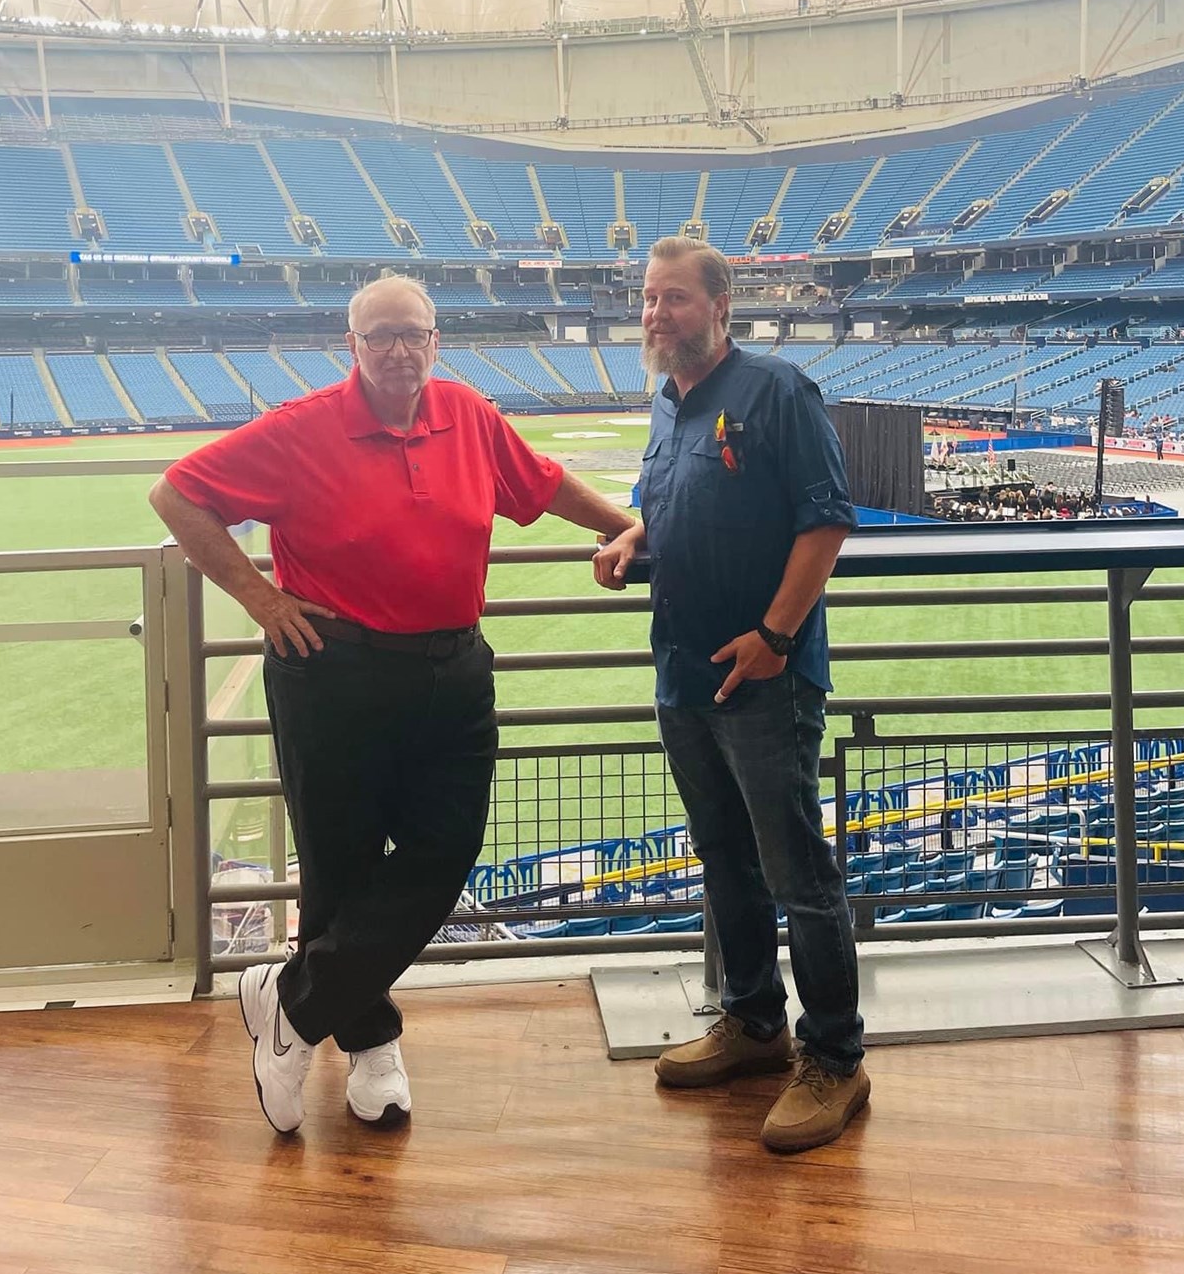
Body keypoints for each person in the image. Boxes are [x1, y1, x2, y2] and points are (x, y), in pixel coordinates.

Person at [151, 277, 635, 1136]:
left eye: (412, 334)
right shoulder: (303, 428)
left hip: (453, 669)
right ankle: (371, 1047)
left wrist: (626, 527)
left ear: (436, 339)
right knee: (340, 868)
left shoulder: (468, 414)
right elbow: (179, 494)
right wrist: (261, 600)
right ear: (353, 346)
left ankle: (290, 1004)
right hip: (333, 672)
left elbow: (543, 486)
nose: (399, 351)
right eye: (381, 337)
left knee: (443, 855)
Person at [594, 237, 867, 1155]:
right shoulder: (668, 406)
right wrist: (632, 538)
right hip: (682, 673)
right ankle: (755, 1024)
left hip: (764, 680)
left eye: (672, 299)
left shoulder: (776, 391)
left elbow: (826, 518)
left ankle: (835, 1058)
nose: (655, 315)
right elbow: (665, 503)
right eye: (647, 300)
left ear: (720, 306)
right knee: (724, 859)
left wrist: (777, 638)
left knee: (797, 872)